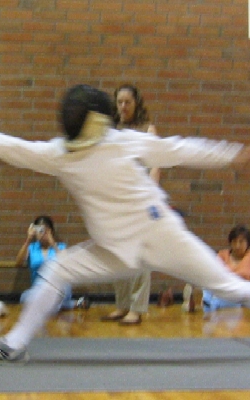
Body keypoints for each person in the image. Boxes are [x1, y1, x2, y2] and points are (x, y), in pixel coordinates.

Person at [0, 83, 250, 363]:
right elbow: (3, 146)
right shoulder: (59, 154)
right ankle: (14, 344)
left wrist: (231, 154)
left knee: (229, 286)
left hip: (161, 234)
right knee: (57, 268)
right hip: (113, 249)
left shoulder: (119, 142)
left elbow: (177, 149)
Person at [100, 84, 157, 325]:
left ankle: (137, 307)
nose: (123, 107)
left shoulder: (147, 129)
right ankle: (122, 304)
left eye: (128, 102)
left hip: (140, 200)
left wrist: (150, 197)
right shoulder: (111, 130)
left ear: (136, 104)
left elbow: (156, 164)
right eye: (120, 102)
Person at [16, 216, 77, 312]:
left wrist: (52, 243)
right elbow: (18, 263)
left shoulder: (60, 246)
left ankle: (52, 305)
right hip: (39, 290)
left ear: (50, 231)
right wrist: (28, 239)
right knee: (24, 297)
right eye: (38, 230)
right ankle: (67, 305)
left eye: (43, 230)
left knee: (59, 294)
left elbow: (67, 264)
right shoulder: (32, 248)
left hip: (58, 288)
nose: (41, 234)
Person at [203, 224, 250, 312]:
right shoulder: (222, 254)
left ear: (248, 243)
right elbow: (215, 275)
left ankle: (212, 304)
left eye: (241, 242)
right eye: (234, 242)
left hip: (239, 294)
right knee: (208, 288)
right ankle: (210, 303)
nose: (237, 245)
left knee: (230, 298)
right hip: (223, 289)